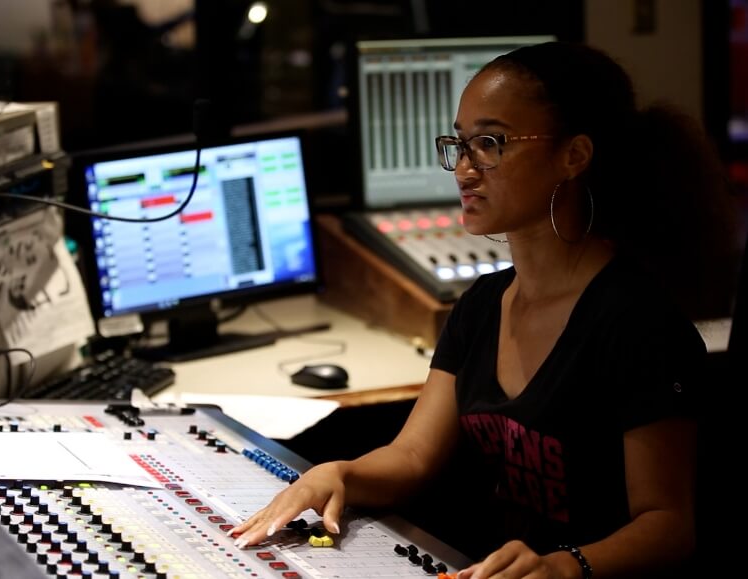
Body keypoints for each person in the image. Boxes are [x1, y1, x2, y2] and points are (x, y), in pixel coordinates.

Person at [229, 41, 737, 578]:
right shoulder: (482, 306)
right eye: (460, 144)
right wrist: (338, 475)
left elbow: (667, 525)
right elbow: (412, 458)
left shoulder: (637, 324)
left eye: (490, 143)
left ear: (575, 155)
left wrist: (567, 568)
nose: (464, 169)